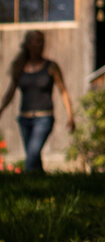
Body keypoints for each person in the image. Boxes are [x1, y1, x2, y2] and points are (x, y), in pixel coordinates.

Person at [0, 30, 76, 173]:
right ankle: (40, 183)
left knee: (32, 154)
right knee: (34, 157)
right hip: (24, 119)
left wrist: (70, 116)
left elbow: (63, 91)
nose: (40, 44)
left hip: (44, 118)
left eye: (42, 41)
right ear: (28, 44)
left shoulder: (51, 66)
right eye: (36, 41)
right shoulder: (20, 67)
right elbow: (10, 92)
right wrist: (1, 109)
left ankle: (25, 185)